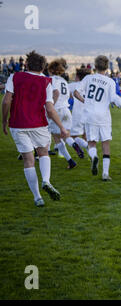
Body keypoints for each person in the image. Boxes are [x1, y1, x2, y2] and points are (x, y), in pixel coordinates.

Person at [1, 51, 67, 207]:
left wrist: (4, 120)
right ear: (43, 67)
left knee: (28, 160)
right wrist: (61, 127)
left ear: (26, 64)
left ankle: (37, 197)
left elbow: (6, 101)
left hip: (17, 124)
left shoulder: (15, 77)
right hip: (39, 123)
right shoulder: (46, 82)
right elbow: (50, 109)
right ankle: (46, 181)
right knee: (43, 152)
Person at [74, 55, 121, 181]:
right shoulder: (110, 82)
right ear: (107, 67)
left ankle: (94, 157)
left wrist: (85, 100)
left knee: (91, 143)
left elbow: (75, 92)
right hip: (103, 116)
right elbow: (114, 99)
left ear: (95, 66)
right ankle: (105, 174)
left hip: (89, 114)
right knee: (106, 144)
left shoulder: (88, 78)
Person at [48, 60, 83, 169]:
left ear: (52, 70)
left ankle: (70, 160)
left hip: (56, 110)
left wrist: (51, 105)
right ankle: (73, 144)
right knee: (66, 134)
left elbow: (56, 93)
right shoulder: (64, 81)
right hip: (66, 110)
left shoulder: (51, 80)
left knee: (57, 138)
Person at [68, 67, 91, 154]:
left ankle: (86, 147)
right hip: (90, 113)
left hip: (78, 114)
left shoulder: (74, 85)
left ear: (77, 76)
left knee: (73, 136)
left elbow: (65, 94)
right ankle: (91, 154)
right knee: (86, 135)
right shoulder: (90, 85)